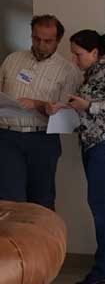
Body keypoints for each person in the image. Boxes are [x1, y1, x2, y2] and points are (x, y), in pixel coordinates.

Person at [51, 30, 105, 284]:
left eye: (78, 54)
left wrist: (87, 106)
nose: (74, 59)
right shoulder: (90, 75)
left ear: (95, 52)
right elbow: (87, 109)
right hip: (95, 145)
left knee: (100, 205)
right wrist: (65, 108)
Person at [0, 14, 82, 209]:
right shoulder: (12, 59)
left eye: (47, 41)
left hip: (42, 139)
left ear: (58, 41)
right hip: (7, 137)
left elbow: (67, 116)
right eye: (36, 39)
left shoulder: (68, 71)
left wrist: (38, 104)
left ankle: (43, 231)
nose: (41, 45)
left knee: (42, 200)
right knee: (9, 200)